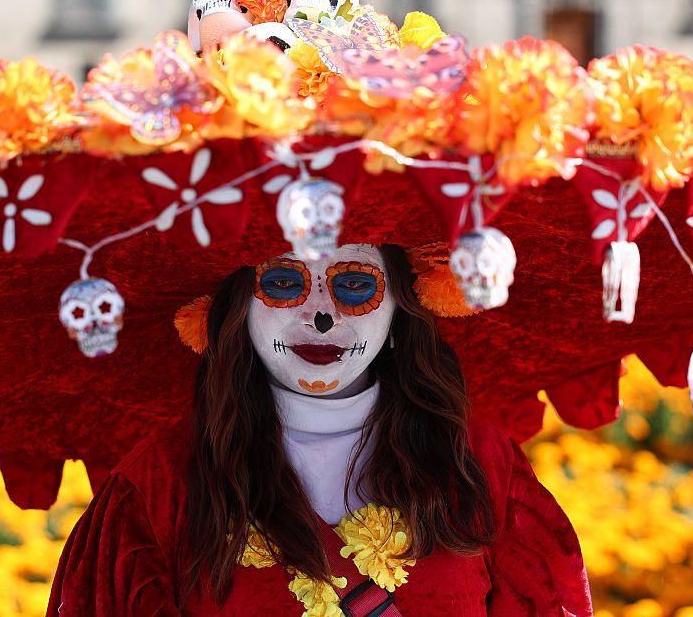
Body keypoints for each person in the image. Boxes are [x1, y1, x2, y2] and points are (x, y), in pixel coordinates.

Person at [48, 243, 592, 616]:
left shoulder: (479, 463)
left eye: (353, 285)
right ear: (238, 309)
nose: (322, 317)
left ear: (400, 311)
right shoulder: (158, 482)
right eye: (285, 283)